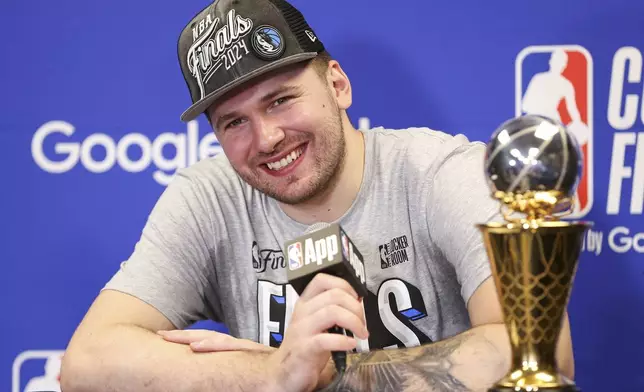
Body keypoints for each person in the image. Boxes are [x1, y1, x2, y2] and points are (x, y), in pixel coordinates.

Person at [60, 0, 575, 391]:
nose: (266, 139)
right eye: (233, 122)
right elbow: (87, 363)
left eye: (281, 100)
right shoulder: (209, 198)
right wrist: (276, 372)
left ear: (338, 85)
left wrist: (327, 376)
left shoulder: (438, 172)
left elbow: (537, 351)